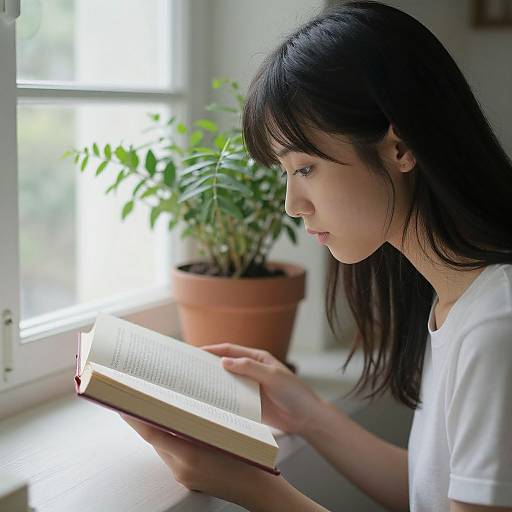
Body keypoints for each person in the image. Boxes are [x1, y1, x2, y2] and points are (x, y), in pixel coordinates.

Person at [121, 1, 512, 510]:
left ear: (400, 147)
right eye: (284, 173)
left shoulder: (495, 327)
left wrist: (253, 488)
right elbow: (435, 491)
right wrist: (306, 414)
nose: (291, 204)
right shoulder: (457, 298)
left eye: (304, 168)